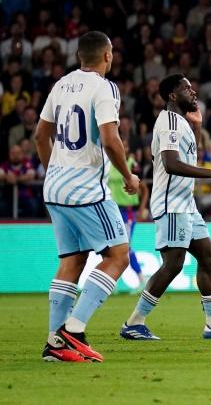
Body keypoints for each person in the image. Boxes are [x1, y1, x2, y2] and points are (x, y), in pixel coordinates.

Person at [34, 30, 141, 362]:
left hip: (54, 187)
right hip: (86, 190)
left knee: (72, 261)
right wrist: (128, 176)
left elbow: (41, 136)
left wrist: (55, 170)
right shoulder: (105, 88)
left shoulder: (61, 84)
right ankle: (74, 330)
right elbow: (110, 139)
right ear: (107, 56)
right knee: (119, 255)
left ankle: (55, 343)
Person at [120, 74, 211, 341]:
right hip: (171, 203)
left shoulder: (182, 123)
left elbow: (189, 155)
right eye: (187, 89)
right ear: (172, 96)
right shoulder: (167, 122)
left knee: (208, 257)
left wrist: (198, 128)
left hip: (186, 203)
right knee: (174, 263)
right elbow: (171, 163)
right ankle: (134, 322)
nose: (194, 92)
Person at [107, 140, 150, 293]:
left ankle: (141, 279)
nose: (122, 148)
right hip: (112, 210)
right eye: (121, 145)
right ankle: (112, 282)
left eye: (125, 146)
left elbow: (144, 188)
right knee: (111, 247)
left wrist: (142, 208)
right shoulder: (109, 163)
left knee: (125, 247)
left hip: (127, 211)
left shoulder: (131, 164)